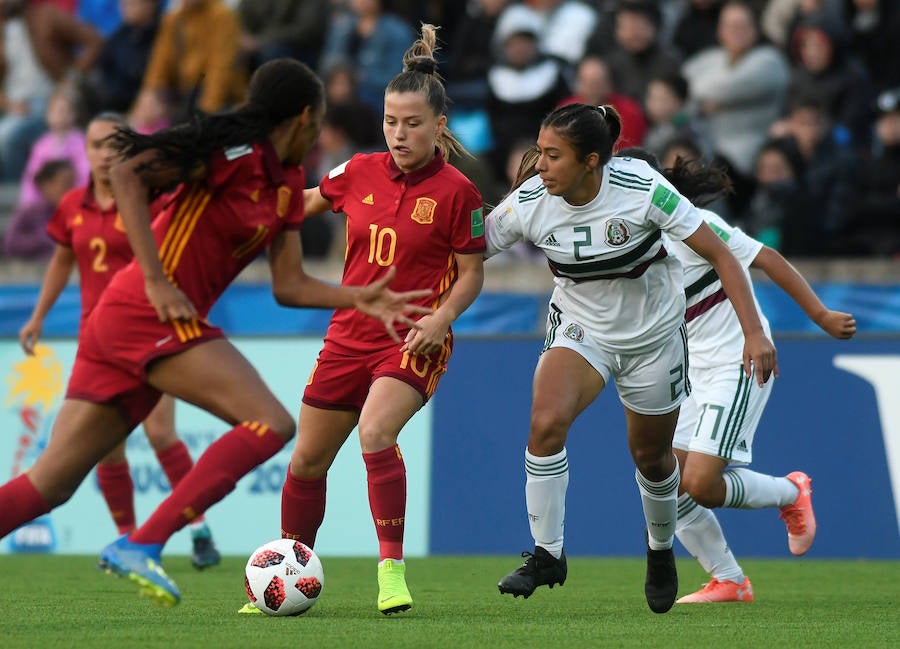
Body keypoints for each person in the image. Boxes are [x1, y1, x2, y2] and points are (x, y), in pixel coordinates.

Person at [0, 58, 432, 607]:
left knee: (50, 486)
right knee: (271, 423)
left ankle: (142, 543)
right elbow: (129, 171)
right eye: (318, 121)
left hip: (138, 322)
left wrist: (358, 297)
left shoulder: (288, 183)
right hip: (143, 311)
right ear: (302, 119)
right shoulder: (231, 153)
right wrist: (155, 280)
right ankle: (144, 544)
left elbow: (290, 284)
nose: (320, 132)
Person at [485, 103, 776, 614]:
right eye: (540, 152)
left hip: (654, 341)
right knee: (545, 423)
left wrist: (755, 333)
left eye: (553, 156)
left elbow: (722, 254)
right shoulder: (530, 202)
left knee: (652, 458)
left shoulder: (642, 189)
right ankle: (547, 554)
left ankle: (660, 552)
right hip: (581, 331)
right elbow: (467, 247)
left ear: (592, 161)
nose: (540, 165)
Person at [272, 24, 485, 616]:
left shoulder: (458, 192)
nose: (399, 133)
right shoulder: (355, 172)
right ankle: (290, 572)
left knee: (375, 432)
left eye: (412, 123)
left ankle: (391, 572)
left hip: (414, 336)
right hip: (349, 333)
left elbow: (471, 275)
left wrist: (441, 320)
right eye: (391, 121)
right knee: (306, 462)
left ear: (439, 124)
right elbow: (295, 209)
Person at [616, 146, 855, 603]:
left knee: (701, 484)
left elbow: (766, 259)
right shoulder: (621, 241)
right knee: (662, 478)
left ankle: (790, 492)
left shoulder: (693, 228)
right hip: (686, 370)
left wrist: (819, 315)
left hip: (735, 359)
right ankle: (729, 579)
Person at [17, 111, 221, 568]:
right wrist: (37, 317)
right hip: (96, 341)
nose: (105, 152)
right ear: (83, 153)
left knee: (160, 431)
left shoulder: (148, 200)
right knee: (105, 447)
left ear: (128, 149)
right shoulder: (73, 204)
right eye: (95, 145)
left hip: (148, 333)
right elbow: (61, 262)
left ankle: (199, 529)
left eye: (114, 143)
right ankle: (126, 539)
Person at [1, 158, 75, 259]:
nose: (70, 189)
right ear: (46, 185)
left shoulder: (77, 214)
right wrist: (42, 241)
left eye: (72, 183)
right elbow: (10, 243)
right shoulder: (29, 212)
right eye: (65, 183)